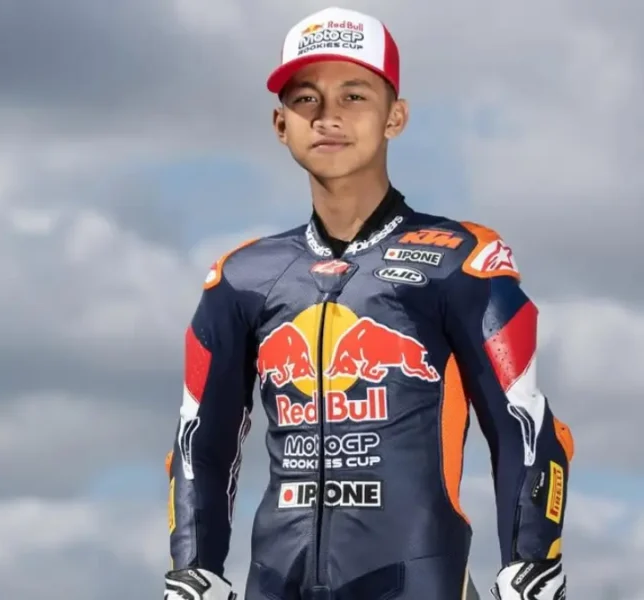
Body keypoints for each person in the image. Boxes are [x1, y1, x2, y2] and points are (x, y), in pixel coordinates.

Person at [162, 7, 574, 600]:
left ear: (395, 116)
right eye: (306, 99)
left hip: (418, 582)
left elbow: (526, 425)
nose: (327, 116)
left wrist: (532, 564)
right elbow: (199, 438)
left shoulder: (463, 258)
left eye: (354, 96)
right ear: (280, 124)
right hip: (274, 584)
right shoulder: (240, 277)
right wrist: (192, 568)